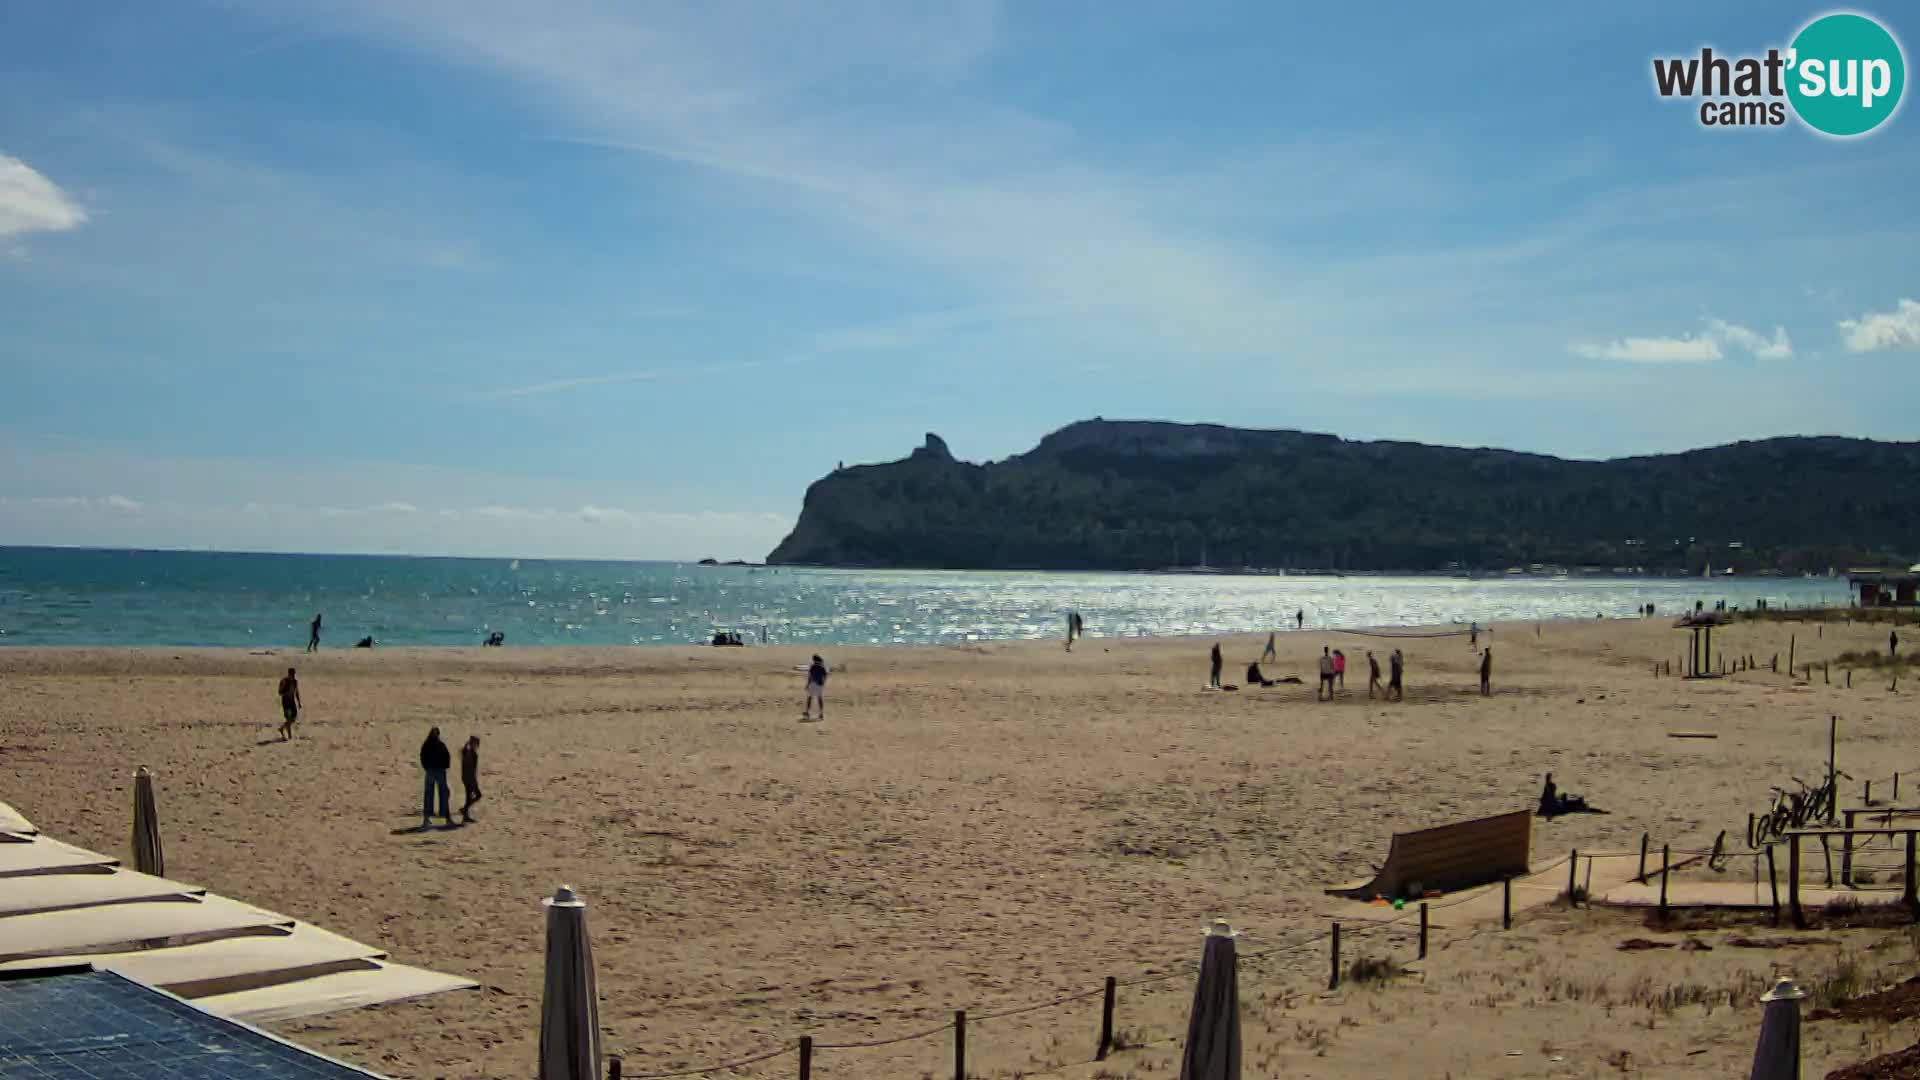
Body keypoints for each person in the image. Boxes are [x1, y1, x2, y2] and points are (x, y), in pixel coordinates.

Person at [419, 727, 453, 828]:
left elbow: (422, 757)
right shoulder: (440, 744)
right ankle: (446, 818)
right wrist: (444, 767)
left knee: (429, 795)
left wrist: (426, 767)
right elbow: (447, 757)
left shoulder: (427, 744)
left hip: (431, 771)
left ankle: (426, 819)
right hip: (438, 771)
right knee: (443, 795)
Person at [459, 736, 482, 823]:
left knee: (469, 797)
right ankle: (465, 811)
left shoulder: (467, 751)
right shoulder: (471, 753)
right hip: (469, 779)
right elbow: (470, 769)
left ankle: (465, 813)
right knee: (477, 795)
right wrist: (473, 782)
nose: (477, 745)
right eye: (476, 743)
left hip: (466, 778)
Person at [276, 667, 301, 740]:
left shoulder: (295, 682)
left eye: (294, 674)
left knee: (293, 719)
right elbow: (279, 693)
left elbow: (296, 692)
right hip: (286, 702)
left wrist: (299, 702)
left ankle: (282, 728)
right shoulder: (284, 681)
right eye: (291, 674)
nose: (293, 676)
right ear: (289, 674)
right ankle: (289, 736)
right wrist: (284, 689)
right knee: (288, 718)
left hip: (292, 702)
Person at [802, 654, 828, 720]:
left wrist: (807, 685)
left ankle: (807, 713)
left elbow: (810, 677)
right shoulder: (822, 667)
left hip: (813, 683)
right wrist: (823, 683)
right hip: (819, 684)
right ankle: (821, 713)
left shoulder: (813, 666)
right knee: (819, 698)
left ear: (814, 660)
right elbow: (825, 675)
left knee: (809, 698)